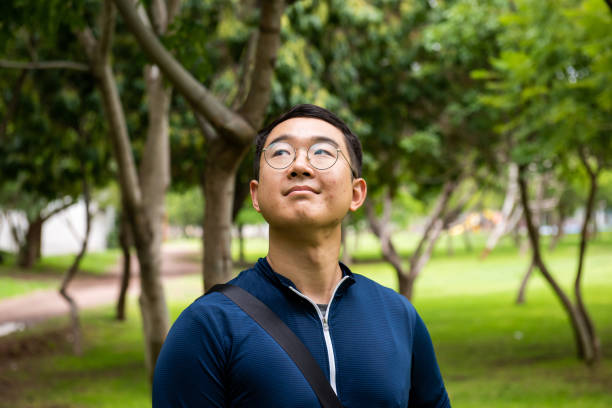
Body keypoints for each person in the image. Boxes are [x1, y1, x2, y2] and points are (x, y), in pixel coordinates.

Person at [153, 104, 451, 407]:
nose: (300, 165)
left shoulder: (399, 317)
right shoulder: (207, 327)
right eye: (280, 153)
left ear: (356, 193)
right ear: (256, 195)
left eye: (322, 152)